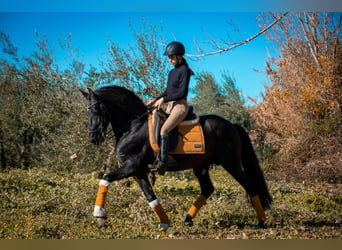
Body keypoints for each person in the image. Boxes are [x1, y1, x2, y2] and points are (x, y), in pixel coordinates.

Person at [147, 41, 193, 175]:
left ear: (180, 56)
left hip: (180, 106)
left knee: (164, 129)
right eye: (169, 57)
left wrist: (164, 100)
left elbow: (181, 93)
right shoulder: (171, 72)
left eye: (172, 57)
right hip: (171, 106)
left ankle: (162, 163)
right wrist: (155, 99)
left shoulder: (184, 70)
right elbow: (168, 92)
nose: (170, 60)